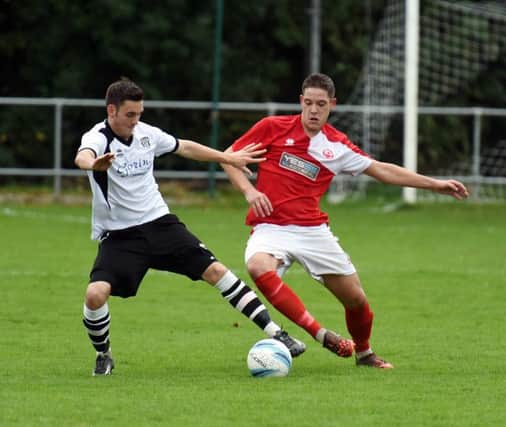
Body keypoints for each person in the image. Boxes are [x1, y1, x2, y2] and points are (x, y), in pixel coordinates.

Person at [221, 73, 469, 369]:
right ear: (301, 101)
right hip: (270, 228)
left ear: (332, 105)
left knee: (356, 301)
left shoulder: (336, 146)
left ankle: (364, 354)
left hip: (313, 232)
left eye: (321, 104)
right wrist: (249, 191)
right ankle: (320, 334)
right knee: (257, 266)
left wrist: (434, 184)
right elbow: (228, 157)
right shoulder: (272, 128)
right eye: (309, 103)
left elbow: (382, 170)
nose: (314, 110)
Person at [75, 78, 305, 376]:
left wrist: (227, 157)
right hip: (121, 236)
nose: (136, 121)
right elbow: (82, 156)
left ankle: (277, 333)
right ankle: (103, 354)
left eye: (139, 114)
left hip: (161, 224)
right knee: (95, 295)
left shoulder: (147, 134)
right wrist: (93, 164)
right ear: (112, 111)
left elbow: (185, 147)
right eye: (130, 115)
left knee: (217, 272)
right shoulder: (98, 137)